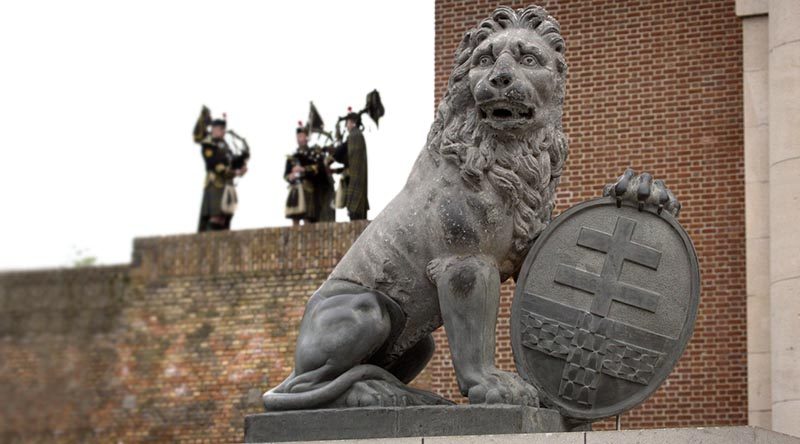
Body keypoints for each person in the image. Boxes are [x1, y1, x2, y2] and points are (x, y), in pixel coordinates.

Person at [193, 106, 248, 232]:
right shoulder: (209, 144)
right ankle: (210, 244)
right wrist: (235, 172)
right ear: (214, 129)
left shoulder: (225, 147)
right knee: (215, 216)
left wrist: (241, 164)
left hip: (227, 184)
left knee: (225, 218)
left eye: (223, 129)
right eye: (220, 129)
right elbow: (215, 164)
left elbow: (232, 161)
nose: (223, 132)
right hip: (215, 183)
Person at [285, 123, 328, 225]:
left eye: (301, 136)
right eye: (298, 136)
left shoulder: (314, 154)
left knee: (307, 219)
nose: (299, 138)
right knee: (294, 219)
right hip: (295, 189)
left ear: (307, 137)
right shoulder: (292, 156)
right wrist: (290, 176)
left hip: (308, 189)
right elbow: (286, 175)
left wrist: (303, 169)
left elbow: (319, 169)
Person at [332, 109, 369, 221]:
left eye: (347, 123)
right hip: (355, 176)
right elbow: (347, 157)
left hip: (354, 178)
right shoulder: (357, 135)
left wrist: (333, 154)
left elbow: (342, 154)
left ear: (352, 122)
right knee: (355, 210)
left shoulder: (354, 135)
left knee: (354, 210)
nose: (346, 126)